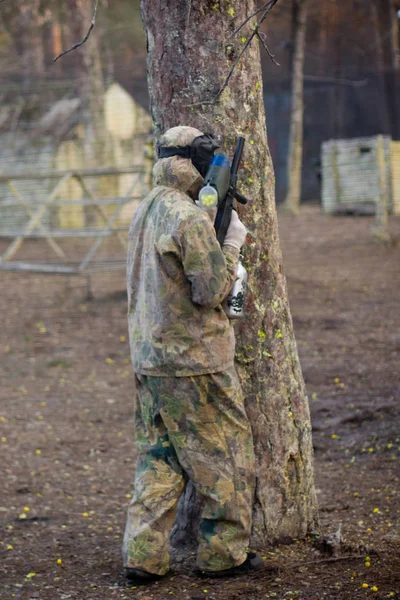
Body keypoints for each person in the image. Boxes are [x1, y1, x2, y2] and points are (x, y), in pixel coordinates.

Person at [123, 125, 262, 582]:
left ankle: (143, 556)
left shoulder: (145, 209)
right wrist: (233, 242)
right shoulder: (188, 217)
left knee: (159, 458)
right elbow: (211, 290)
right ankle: (224, 555)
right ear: (196, 165)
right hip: (195, 360)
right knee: (226, 454)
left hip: (149, 359)